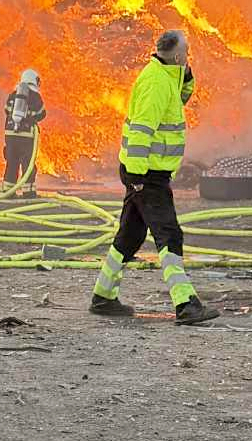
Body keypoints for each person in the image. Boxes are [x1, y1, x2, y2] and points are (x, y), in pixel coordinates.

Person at [88, 29, 215, 326]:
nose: (189, 55)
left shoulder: (167, 76)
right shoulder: (156, 83)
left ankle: (103, 297)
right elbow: (142, 131)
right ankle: (186, 303)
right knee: (169, 234)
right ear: (178, 54)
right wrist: (136, 177)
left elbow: (181, 98)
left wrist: (185, 73)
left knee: (131, 235)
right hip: (146, 174)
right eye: (187, 52)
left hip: (147, 172)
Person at [2, 68, 46, 192]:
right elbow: (42, 114)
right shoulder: (35, 96)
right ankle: (28, 191)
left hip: (10, 135)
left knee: (11, 163)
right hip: (26, 136)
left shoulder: (13, 94)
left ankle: (8, 191)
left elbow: (6, 110)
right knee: (28, 163)